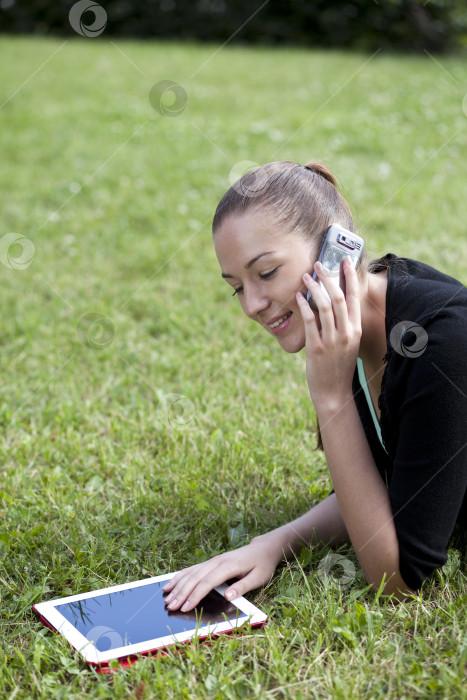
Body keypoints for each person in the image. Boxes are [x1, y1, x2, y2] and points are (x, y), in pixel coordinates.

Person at [163, 160, 467, 611]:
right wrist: (272, 544)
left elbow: (397, 579)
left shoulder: (440, 342)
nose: (252, 305)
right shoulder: (363, 324)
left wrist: (331, 396)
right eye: (236, 288)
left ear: (336, 251)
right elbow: (382, 485)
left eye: (266, 273)